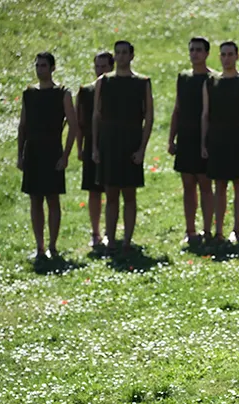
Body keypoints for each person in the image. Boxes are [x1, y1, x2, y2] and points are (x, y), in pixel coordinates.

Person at [93, 40, 153, 254]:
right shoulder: (104, 82)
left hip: (131, 141)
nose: (120, 56)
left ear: (131, 56)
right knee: (110, 194)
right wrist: (95, 147)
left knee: (129, 194)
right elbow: (96, 115)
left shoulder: (142, 82)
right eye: (117, 53)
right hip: (109, 141)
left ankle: (127, 239)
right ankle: (110, 238)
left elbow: (149, 117)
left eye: (124, 53)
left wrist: (142, 149)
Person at [18, 51, 77, 262]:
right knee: (35, 199)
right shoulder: (29, 94)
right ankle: (39, 246)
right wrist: (20, 154)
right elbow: (23, 126)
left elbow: (73, 126)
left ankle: (53, 245)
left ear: (52, 68)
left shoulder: (62, 93)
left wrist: (66, 155)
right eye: (38, 66)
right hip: (33, 151)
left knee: (52, 199)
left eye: (44, 66)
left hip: (52, 150)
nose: (40, 69)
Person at [202, 41, 239, 244]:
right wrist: (203, 142)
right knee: (219, 185)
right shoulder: (210, 82)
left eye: (230, 54)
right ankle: (218, 230)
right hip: (217, 138)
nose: (226, 58)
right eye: (223, 55)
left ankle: (237, 228)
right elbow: (205, 114)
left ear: (237, 56)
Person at [168, 37, 215, 245]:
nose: (194, 53)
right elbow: (177, 109)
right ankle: (190, 230)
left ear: (206, 54)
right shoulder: (183, 77)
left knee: (205, 184)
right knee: (188, 185)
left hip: (205, 137)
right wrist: (171, 138)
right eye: (191, 50)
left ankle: (207, 229)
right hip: (186, 137)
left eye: (198, 50)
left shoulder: (213, 78)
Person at [75, 51, 113, 248]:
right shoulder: (85, 91)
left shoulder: (115, 89)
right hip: (91, 143)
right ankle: (95, 232)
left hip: (111, 144)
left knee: (111, 189)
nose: (100, 70)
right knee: (93, 190)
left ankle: (110, 232)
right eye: (97, 66)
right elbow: (80, 122)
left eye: (104, 66)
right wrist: (80, 147)